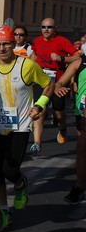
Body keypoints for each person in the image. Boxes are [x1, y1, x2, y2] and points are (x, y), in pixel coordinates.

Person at [0, 26, 53, 229]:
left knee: (9, 169)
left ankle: (20, 182)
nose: (2, 48)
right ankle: (4, 209)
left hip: (20, 125)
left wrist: (40, 105)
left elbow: (48, 85)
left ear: (13, 44)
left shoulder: (26, 66)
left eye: (6, 44)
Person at [31, 17, 81, 151]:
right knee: (40, 110)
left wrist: (62, 58)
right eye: (43, 27)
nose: (46, 30)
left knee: (58, 112)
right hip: (41, 81)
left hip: (59, 81)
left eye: (49, 27)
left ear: (55, 29)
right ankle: (37, 142)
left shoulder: (62, 41)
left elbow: (78, 57)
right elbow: (34, 57)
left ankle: (62, 128)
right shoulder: (37, 41)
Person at [55, 55, 86, 204]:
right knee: (82, 150)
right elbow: (60, 81)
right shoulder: (80, 62)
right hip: (82, 113)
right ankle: (80, 187)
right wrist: (59, 87)